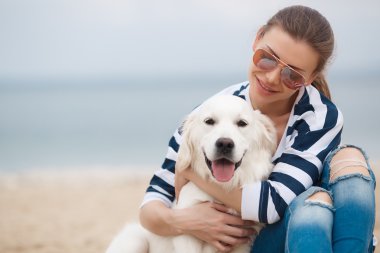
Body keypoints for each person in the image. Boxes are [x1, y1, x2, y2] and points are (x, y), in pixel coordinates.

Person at [139, 5, 376, 253]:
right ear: (257, 39)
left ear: (310, 76)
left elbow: (272, 205)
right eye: (267, 58)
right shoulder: (207, 117)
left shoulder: (320, 116)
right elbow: (151, 205)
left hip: (289, 228)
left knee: (349, 170)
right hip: (260, 236)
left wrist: (190, 172)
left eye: (292, 75)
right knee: (314, 213)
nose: (272, 77)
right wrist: (187, 221)